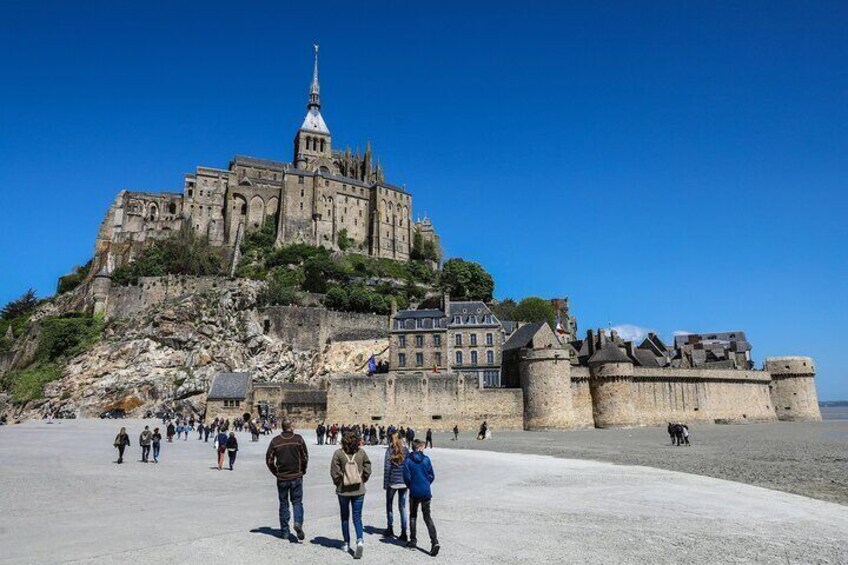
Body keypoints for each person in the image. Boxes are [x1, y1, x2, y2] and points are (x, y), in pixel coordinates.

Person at [266, 418, 309, 542]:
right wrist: (303, 470)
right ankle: (297, 522)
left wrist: (276, 472)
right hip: (296, 476)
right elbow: (305, 457)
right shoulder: (298, 439)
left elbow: (269, 460)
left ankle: (285, 531)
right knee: (297, 502)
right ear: (291, 426)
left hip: (282, 478)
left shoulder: (275, 441)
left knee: (283, 503)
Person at [331, 431, 371, 558]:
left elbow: (334, 472)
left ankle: (346, 543)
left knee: (344, 517)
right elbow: (368, 468)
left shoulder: (338, 453)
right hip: (359, 490)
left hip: (343, 491)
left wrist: (339, 482)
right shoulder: (361, 453)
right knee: (357, 517)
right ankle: (359, 540)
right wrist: (362, 479)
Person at [403, 439, 439, 556]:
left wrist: (412, 485)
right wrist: (426, 483)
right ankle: (434, 542)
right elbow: (431, 475)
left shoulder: (408, 461)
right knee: (427, 517)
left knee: (413, 516)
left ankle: (413, 541)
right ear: (418, 448)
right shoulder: (426, 460)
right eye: (423, 447)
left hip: (414, 491)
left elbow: (406, 477)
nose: (424, 449)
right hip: (425, 491)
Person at [383, 432, 409, 541]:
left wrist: (385, 484)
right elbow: (409, 467)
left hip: (393, 482)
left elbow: (387, 468)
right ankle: (404, 532)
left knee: (389, 505)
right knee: (402, 507)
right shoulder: (406, 451)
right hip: (404, 482)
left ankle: (390, 528)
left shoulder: (389, 451)